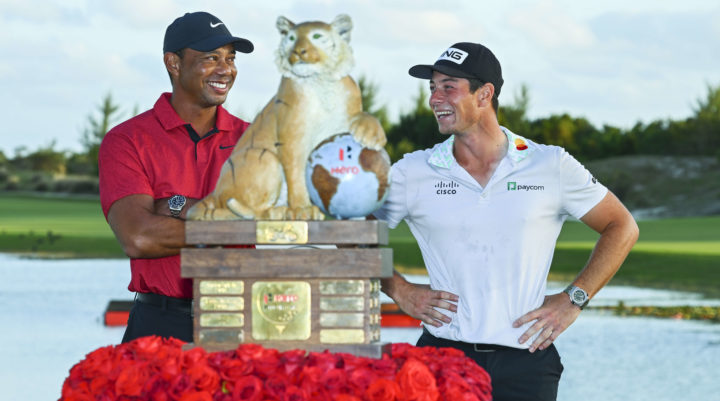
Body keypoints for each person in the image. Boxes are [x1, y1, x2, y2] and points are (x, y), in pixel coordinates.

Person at [375, 42, 639, 400]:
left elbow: (622, 226)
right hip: (442, 359)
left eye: (448, 86)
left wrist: (573, 299)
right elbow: (350, 236)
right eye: (432, 88)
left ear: (485, 95)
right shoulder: (412, 171)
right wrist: (399, 289)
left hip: (528, 364)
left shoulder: (550, 164)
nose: (435, 98)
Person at [98, 12, 254, 343]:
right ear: (173, 63)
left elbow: (278, 223)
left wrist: (176, 205)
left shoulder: (256, 142)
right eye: (211, 58)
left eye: (230, 58)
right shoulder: (127, 140)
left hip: (240, 322)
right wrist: (229, 224)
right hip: (159, 323)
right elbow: (139, 237)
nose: (226, 69)